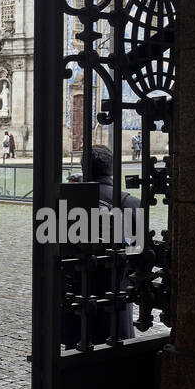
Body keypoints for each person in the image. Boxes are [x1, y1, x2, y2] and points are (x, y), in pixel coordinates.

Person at [63, 143, 139, 345]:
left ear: (83, 169)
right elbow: (140, 256)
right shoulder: (130, 203)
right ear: (112, 168)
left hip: (78, 300)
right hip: (115, 299)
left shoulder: (65, 203)